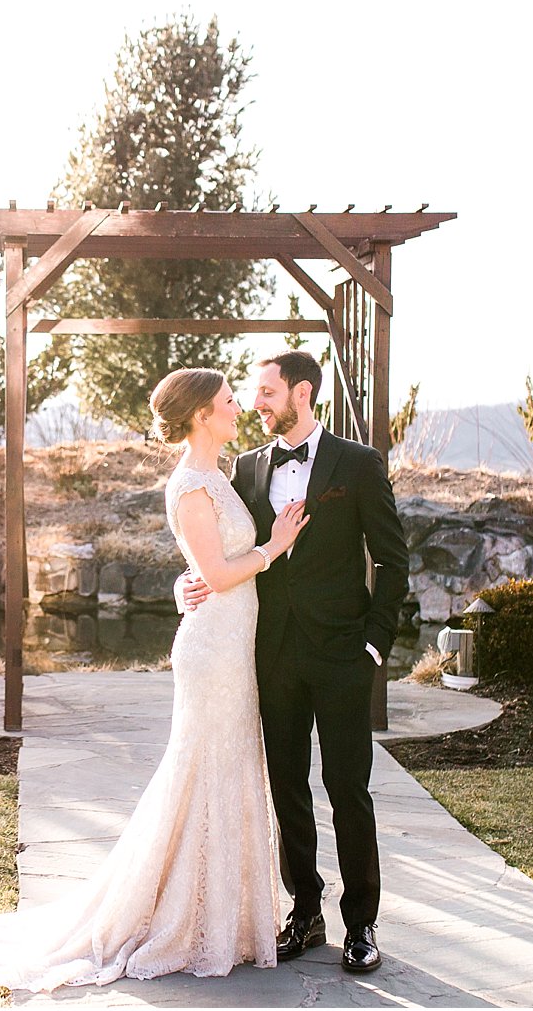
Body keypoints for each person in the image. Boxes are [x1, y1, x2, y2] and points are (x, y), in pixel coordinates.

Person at [0, 367, 311, 992]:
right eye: (227, 402)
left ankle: (228, 918)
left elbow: (201, 567)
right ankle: (182, 920)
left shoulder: (222, 474)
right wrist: (274, 545)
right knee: (201, 770)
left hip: (234, 645)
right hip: (213, 651)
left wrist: (187, 579)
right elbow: (217, 573)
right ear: (200, 415)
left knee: (228, 770)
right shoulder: (191, 484)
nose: (237, 409)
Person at [181, 350, 409, 974]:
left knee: (348, 790)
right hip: (270, 654)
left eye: (266, 391)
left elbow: (392, 560)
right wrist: (188, 584)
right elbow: (218, 547)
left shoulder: (358, 465)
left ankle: (361, 924)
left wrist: (374, 645)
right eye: (251, 393)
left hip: (342, 655)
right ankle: (303, 913)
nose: (256, 402)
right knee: (287, 789)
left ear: (302, 393)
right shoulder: (246, 469)